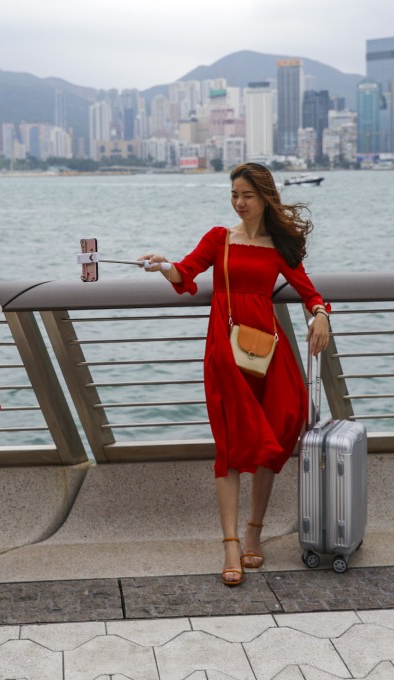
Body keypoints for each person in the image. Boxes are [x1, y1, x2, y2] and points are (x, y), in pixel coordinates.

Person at [139, 162, 330, 587]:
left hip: (266, 349)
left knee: (282, 424)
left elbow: (309, 291)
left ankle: (254, 531)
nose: (239, 203)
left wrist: (319, 314)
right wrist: (163, 263)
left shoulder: (278, 246)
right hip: (225, 351)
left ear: (264, 197)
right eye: (234, 195)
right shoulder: (219, 239)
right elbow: (185, 273)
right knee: (229, 443)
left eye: (246, 195)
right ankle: (229, 544)